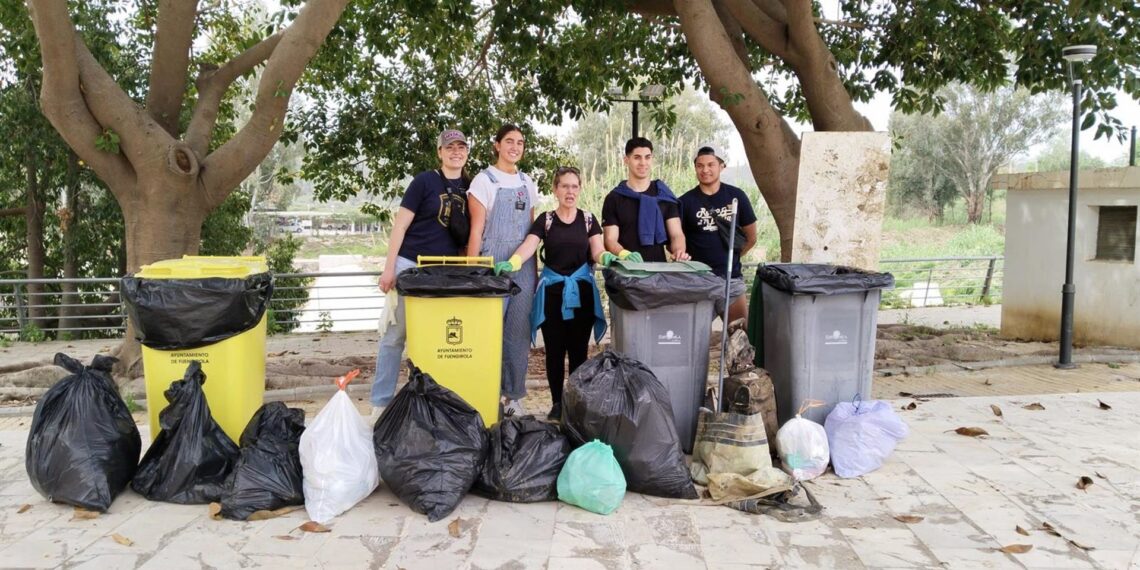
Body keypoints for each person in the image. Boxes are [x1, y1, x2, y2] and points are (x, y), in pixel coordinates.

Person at [370, 129, 471, 420]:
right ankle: (381, 403)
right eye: (449, 147)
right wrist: (389, 268)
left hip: (446, 273)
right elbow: (400, 226)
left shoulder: (471, 186)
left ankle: (431, 401)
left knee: (438, 339)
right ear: (439, 152)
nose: (455, 151)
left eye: (461, 147)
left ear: (466, 153)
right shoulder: (424, 182)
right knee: (394, 336)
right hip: (411, 266)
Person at [495, 166, 609, 421]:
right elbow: (529, 245)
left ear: (579, 189)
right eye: (565, 186)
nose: (570, 191)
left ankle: (576, 405)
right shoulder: (546, 220)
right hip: (552, 294)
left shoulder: (588, 219)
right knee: (555, 352)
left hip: (581, 293)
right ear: (555, 190)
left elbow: (598, 250)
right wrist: (513, 262)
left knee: (579, 352)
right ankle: (557, 403)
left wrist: (609, 257)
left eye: (574, 186)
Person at [467, 124, 541, 417]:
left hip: (521, 265)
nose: (515, 147)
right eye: (509, 141)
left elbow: (532, 232)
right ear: (496, 145)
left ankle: (513, 397)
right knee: (487, 332)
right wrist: (472, 274)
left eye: (520, 142)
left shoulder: (528, 182)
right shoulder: (484, 181)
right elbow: (476, 231)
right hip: (491, 264)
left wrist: (530, 268)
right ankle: (484, 392)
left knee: (517, 332)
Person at [679, 145, 758, 324]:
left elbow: (751, 237)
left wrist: (735, 256)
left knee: (740, 336)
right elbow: (675, 240)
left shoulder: (737, 196)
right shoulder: (685, 202)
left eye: (710, 164)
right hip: (697, 281)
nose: (705, 170)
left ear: (721, 167)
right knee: (692, 336)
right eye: (700, 165)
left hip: (730, 279)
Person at [601, 137, 690, 263]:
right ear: (626, 160)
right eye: (637, 157)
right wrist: (625, 255)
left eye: (647, 157)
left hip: (658, 272)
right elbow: (610, 240)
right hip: (625, 272)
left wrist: (679, 251)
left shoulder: (664, 195)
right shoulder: (614, 198)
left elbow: (676, 234)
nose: (643, 162)